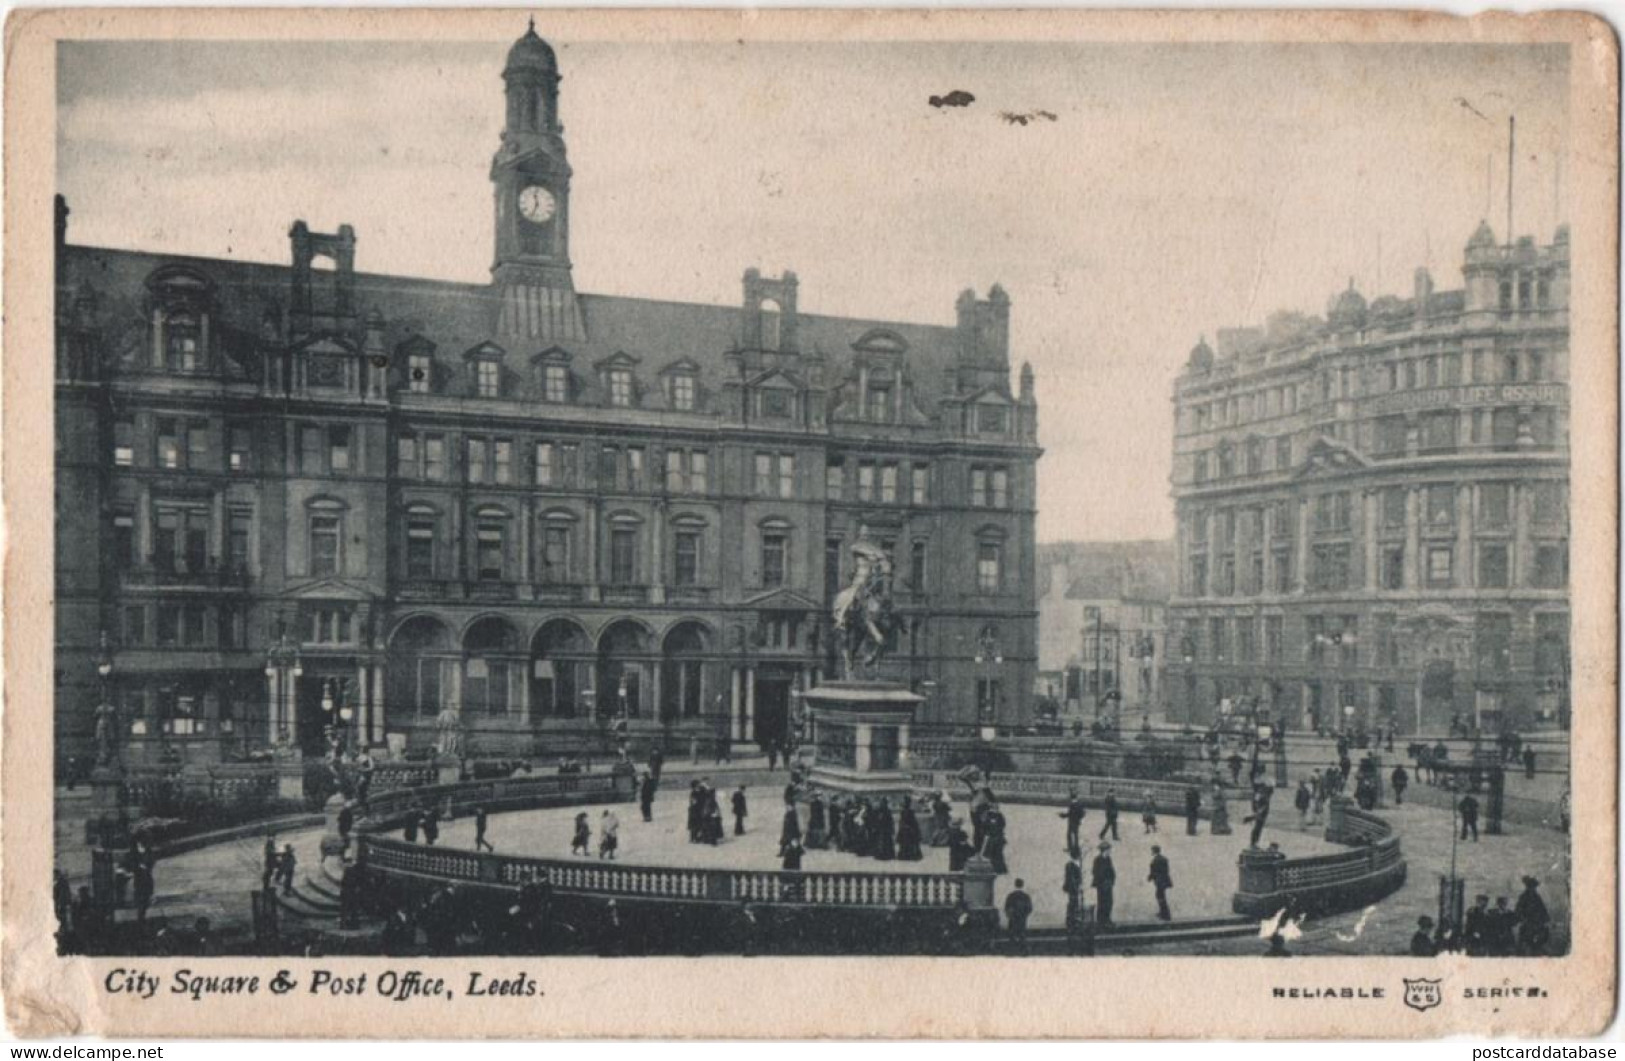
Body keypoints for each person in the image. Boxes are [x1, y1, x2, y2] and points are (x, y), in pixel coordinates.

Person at [1515, 876, 1551, 955]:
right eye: (1531, 886)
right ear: (1527, 886)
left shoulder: (1537, 897)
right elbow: (1518, 911)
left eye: (1534, 886)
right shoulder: (1523, 897)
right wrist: (1524, 920)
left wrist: (1545, 919)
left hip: (1537, 924)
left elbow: (1543, 909)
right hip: (1527, 925)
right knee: (1525, 945)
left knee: (1538, 945)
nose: (1532, 888)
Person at [1003, 878, 1034, 953]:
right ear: (1023, 885)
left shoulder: (1011, 895)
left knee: (1012, 934)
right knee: (1022, 934)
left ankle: (1011, 950)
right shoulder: (1026, 896)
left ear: (1015, 884)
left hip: (1013, 917)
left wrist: (1009, 915)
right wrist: (1025, 915)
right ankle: (1023, 950)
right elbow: (1029, 908)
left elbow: (1007, 907)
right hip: (1022, 918)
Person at [1091, 843, 1116, 926]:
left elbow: (1111, 870)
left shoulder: (1108, 859)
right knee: (1102, 902)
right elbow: (1095, 872)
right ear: (1104, 850)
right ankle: (1101, 921)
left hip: (1108, 884)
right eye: (1108, 849)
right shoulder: (1097, 859)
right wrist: (1103, 881)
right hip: (1101, 885)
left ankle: (1107, 919)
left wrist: (1111, 880)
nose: (1109, 851)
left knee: (1109, 902)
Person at [1148, 844, 1173, 921]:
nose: (1151, 852)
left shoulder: (1155, 860)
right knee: (1161, 896)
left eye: (1152, 850)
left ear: (1154, 851)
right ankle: (1163, 912)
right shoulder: (1164, 859)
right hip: (1164, 880)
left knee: (1160, 896)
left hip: (1159, 881)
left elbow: (1154, 871)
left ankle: (1165, 914)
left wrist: (1150, 877)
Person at [1245, 783, 1273, 848]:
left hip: (1261, 813)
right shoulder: (1261, 795)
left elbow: (1257, 804)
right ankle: (1253, 843)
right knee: (1257, 828)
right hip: (1260, 814)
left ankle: (1254, 842)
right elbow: (1258, 804)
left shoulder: (1261, 794)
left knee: (1258, 828)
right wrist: (1257, 812)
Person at [896, 795, 923, 861]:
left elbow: (906, 821)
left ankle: (906, 855)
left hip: (907, 829)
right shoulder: (908, 812)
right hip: (908, 829)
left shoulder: (907, 812)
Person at [1060, 788, 1087, 854]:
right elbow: (1083, 813)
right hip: (1077, 822)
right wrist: (1080, 819)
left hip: (1072, 822)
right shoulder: (1080, 804)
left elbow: (1069, 814)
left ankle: (1071, 848)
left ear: (1071, 798)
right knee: (1076, 835)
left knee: (1069, 835)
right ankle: (1076, 848)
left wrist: (1062, 815)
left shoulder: (1072, 805)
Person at [1062, 849, 1084, 930]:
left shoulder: (1071, 865)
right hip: (1073, 888)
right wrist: (1077, 887)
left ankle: (1072, 920)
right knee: (1073, 904)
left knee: (1073, 903)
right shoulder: (1071, 865)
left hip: (1073, 888)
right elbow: (1071, 879)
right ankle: (1071, 921)